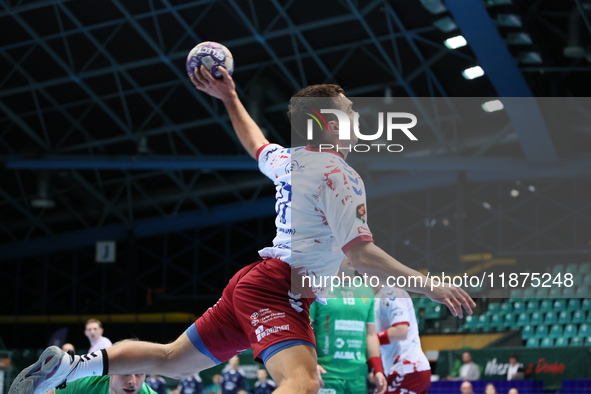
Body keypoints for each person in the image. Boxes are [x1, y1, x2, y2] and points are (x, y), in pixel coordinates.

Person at [9, 67, 474, 394]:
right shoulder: (340, 173)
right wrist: (428, 284)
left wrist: (230, 97)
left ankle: (70, 368)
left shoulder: (293, 161)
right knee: (302, 382)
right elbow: (362, 253)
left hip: (253, 283)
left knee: (173, 362)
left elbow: (256, 143)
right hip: (277, 289)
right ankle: (70, 368)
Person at [310, 259, 386, 394]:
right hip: (326, 374)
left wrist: (377, 369)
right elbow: (305, 328)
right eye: (346, 252)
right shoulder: (318, 288)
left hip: (358, 377)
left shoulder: (367, 291)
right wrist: (311, 364)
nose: (352, 257)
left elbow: (370, 334)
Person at [374, 287, 431, 394]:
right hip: (399, 370)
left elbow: (400, 331)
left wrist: (366, 340)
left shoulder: (391, 294)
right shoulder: (373, 298)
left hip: (408, 369)